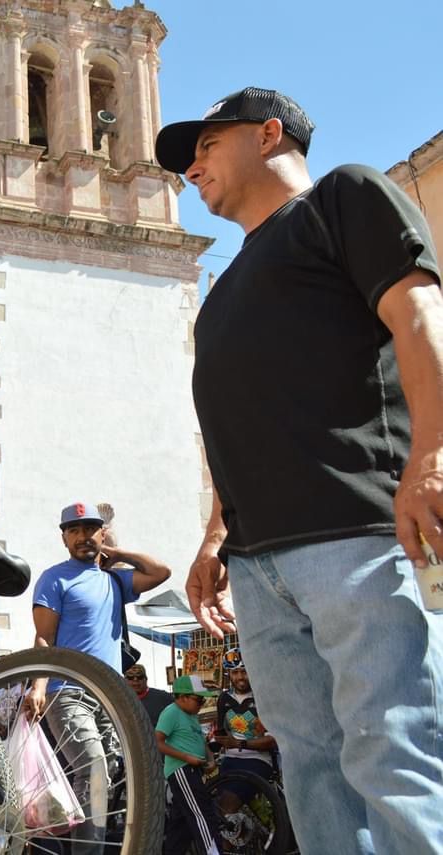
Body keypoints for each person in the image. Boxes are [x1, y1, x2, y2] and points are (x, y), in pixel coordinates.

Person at [162, 87, 443, 854]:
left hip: (357, 530)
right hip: (258, 567)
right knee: (313, 770)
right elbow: (236, 420)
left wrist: (433, 456)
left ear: (270, 134)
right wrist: (216, 538)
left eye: (207, 144)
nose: (191, 166)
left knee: (393, 752)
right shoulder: (220, 296)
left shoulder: (343, 197)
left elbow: (420, 317)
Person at [26, 503, 171, 854]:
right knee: (93, 769)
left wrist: (115, 553)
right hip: (68, 691)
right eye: (74, 530)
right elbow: (44, 638)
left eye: (90, 529)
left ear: (102, 534)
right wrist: (39, 686)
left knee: (105, 780)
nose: (83, 536)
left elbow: (161, 572)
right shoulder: (54, 577)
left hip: (110, 695)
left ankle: (79, 844)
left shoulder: (115, 580)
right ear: (63, 538)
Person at [155, 675, 222, 855]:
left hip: (192, 769)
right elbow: (157, 742)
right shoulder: (171, 712)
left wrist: (210, 758)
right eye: (199, 699)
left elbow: (201, 741)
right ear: (183, 697)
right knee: (202, 814)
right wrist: (186, 757)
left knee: (181, 823)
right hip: (181, 770)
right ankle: (214, 852)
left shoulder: (190, 715)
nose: (202, 703)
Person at [211, 649, 277, 813]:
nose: (240, 677)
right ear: (229, 674)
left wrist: (239, 743)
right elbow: (221, 733)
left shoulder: (263, 697)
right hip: (230, 760)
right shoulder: (224, 699)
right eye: (235, 672)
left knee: (228, 804)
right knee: (217, 807)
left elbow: (272, 740)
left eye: (244, 671)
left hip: (258, 760)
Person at [125, 663, 173, 728]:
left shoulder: (163, 697)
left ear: (146, 679)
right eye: (130, 678)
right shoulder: (119, 700)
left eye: (140, 677)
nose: (135, 680)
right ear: (124, 680)